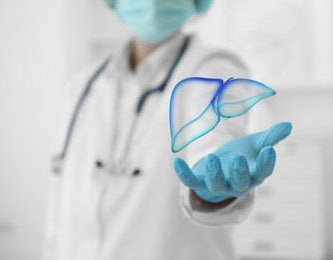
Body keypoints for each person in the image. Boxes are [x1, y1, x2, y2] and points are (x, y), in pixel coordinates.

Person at [42, 0, 292, 259]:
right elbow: (60, 206)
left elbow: (211, 137)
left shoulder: (214, 68)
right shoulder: (82, 87)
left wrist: (213, 186)